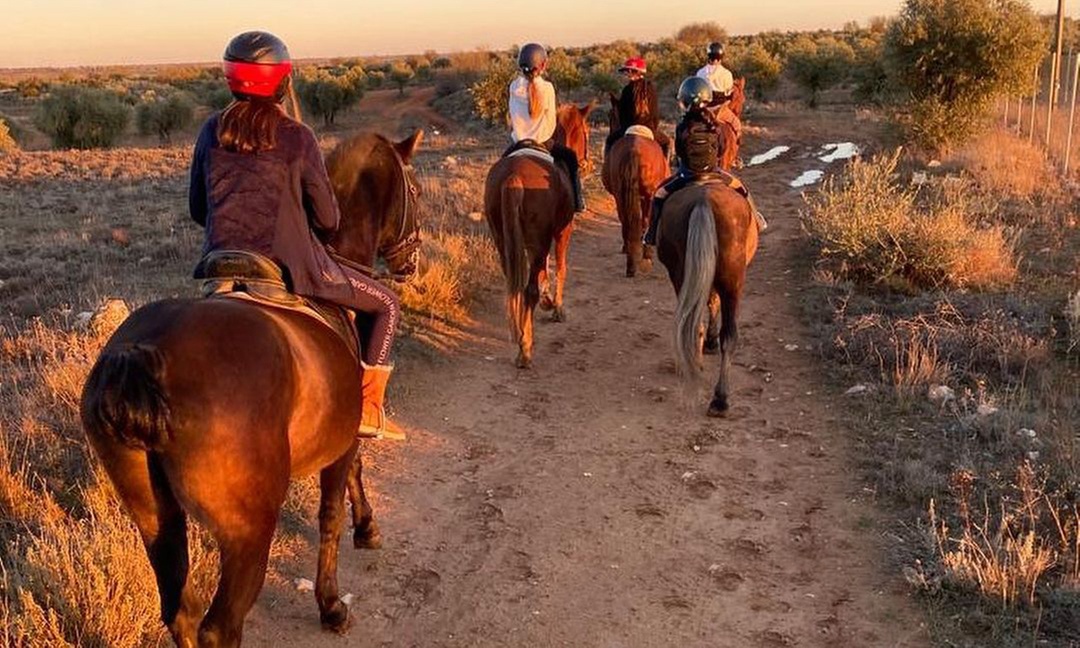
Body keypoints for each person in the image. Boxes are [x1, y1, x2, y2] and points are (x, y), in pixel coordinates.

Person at [188, 31, 403, 439]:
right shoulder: (297, 136)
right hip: (286, 269)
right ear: (283, 81)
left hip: (218, 267)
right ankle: (368, 410)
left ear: (230, 77)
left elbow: (199, 210)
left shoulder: (209, 130)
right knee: (386, 304)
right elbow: (328, 218)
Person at [643, 77, 766, 246]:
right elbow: (721, 150)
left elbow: (680, 153)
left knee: (659, 195)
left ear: (684, 101)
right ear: (708, 99)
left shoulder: (682, 126)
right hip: (714, 173)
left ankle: (651, 234)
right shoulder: (715, 125)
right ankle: (757, 221)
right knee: (743, 190)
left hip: (686, 175)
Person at [506, 43, 586, 212]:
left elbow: (512, 116)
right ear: (542, 65)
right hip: (543, 143)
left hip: (518, 143)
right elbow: (551, 123)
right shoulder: (548, 88)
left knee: (502, 166)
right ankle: (578, 201)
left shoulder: (513, 87)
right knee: (570, 158)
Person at [605, 57, 670, 157]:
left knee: (609, 141)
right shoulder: (651, 89)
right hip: (649, 128)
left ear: (633, 72)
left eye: (628, 71)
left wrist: (624, 127)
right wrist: (653, 128)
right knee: (666, 142)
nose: (626, 74)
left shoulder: (627, 90)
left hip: (628, 128)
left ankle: (607, 165)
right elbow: (655, 114)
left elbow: (622, 115)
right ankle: (666, 165)